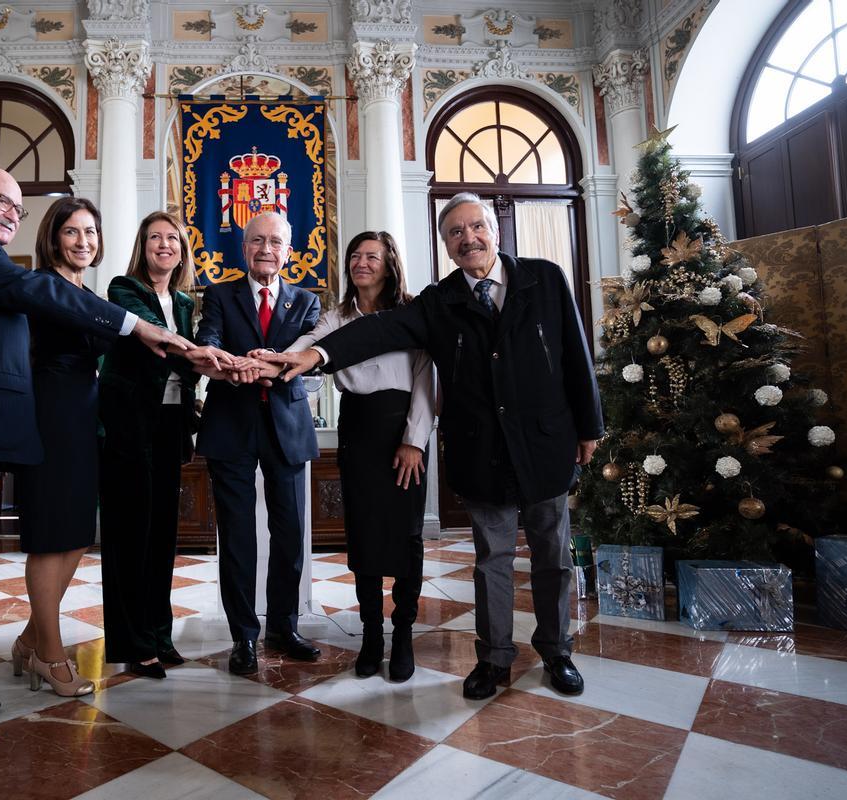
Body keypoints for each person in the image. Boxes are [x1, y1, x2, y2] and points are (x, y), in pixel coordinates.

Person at [0, 165, 196, 748]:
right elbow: (35, 291)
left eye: (17, 206)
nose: (12, 212)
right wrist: (137, 326)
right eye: (0, 201)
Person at [266, 192, 603, 700]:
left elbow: (577, 355)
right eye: (455, 232)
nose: (469, 238)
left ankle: (557, 651)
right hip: (481, 451)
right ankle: (494, 657)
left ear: (494, 231)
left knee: (552, 557)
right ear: (445, 244)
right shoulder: (438, 301)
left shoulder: (546, 278)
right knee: (491, 559)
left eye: (476, 227)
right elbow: (376, 331)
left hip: (545, 444)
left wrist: (589, 427)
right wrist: (314, 355)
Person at [284, 231, 435, 682]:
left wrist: (414, 440)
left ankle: (403, 634)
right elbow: (310, 345)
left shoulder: (412, 313)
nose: (361, 263)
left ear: (390, 264)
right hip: (358, 429)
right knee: (363, 536)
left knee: (407, 537)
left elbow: (426, 378)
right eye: (355, 256)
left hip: (402, 430)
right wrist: (274, 359)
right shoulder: (339, 315)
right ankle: (371, 635)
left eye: (372, 256)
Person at [195, 211, 322, 675]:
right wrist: (233, 365)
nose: (266, 249)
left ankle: (284, 628)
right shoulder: (219, 295)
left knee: (289, 534)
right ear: (244, 247)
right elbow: (208, 340)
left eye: (275, 242)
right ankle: (243, 636)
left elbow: (308, 357)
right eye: (256, 241)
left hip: (286, 427)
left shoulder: (307, 301)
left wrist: (269, 361)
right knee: (237, 535)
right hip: (231, 424)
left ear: (289, 251)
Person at [10, 197, 111, 698]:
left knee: (76, 534)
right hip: (49, 415)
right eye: (72, 231)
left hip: (82, 419)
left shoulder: (85, 291)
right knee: (51, 535)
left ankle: (31, 638)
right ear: (53, 238)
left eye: (90, 232)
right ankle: (50, 655)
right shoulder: (42, 286)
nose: (83, 241)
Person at [98, 211, 202, 679]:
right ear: (143, 247)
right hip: (129, 426)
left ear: (182, 251)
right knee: (129, 535)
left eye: (172, 238)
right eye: (155, 237)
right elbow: (157, 337)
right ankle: (132, 642)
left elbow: (187, 366)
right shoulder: (123, 289)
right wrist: (206, 356)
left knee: (162, 536)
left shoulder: (184, 302)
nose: (164, 244)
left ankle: (160, 633)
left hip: (169, 425)